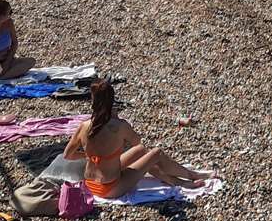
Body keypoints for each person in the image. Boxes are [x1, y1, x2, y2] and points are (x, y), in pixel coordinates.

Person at [64, 81, 211, 199]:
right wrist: (117, 120)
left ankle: (178, 180)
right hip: (110, 188)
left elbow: (68, 155)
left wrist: (91, 156)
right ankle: (190, 176)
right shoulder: (120, 126)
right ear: (112, 101)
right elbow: (136, 141)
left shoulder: (83, 126)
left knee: (142, 152)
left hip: (90, 184)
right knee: (156, 153)